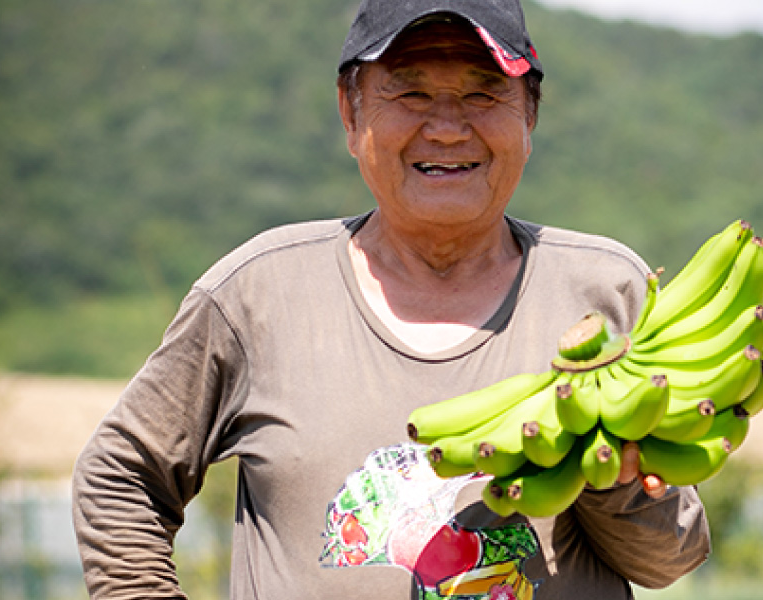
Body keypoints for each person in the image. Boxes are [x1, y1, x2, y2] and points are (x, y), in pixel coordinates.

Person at [72, 0, 711, 598]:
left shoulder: (605, 295)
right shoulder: (259, 294)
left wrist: (611, 480)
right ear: (352, 116)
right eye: (409, 91)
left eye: (483, 91)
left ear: (529, 117)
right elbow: (119, 477)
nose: (447, 127)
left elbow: (669, 560)